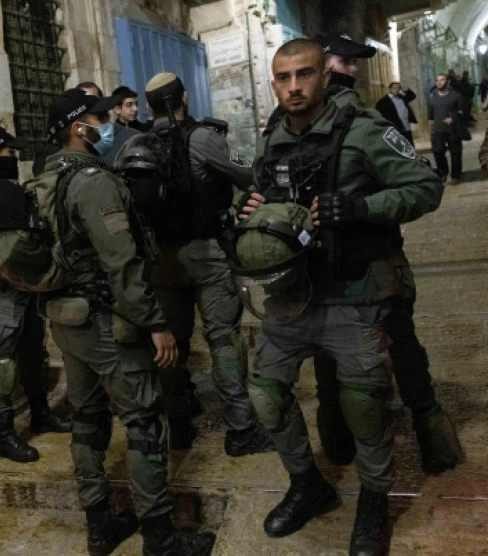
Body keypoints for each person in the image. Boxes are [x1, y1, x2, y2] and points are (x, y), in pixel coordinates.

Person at [238, 38, 444, 555]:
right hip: (291, 296)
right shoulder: (271, 139)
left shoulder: (363, 131)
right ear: (273, 84)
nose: (294, 87)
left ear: (325, 77)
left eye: (303, 75)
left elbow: (425, 186)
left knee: (363, 404)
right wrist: (253, 206)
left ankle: (374, 501)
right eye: (283, 79)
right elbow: (265, 194)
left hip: (353, 294)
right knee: (264, 393)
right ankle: (309, 485)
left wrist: (358, 208)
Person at [40, 88, 215, 555]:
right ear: (81, 127)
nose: (109, 122)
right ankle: (159, 538)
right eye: (100, 118)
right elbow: (123, 262)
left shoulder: (45, 177)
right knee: (143, 422)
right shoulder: (93, 182)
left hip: (67, 321)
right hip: (105, 322)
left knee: (88, 421)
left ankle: (100, 526)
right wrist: (156, 323)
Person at [141, 72, 274, 456]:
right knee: (224, 340)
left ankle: (178, 426)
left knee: (172, 345)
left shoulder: (134, 144)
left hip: (160, 261)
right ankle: (241, 430)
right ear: (184, 97)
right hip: (207, 255)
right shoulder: (203, 138)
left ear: (149, 107)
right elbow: (250, 172)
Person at [0, 126, 72, 463]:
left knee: (33, 353)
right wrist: (3, 229)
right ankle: (5, 435)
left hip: (22, 286)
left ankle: (41, 414)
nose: (14, 157)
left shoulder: (5, 187)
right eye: (9, 151)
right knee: (3, 364)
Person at [429, 73, 465, 183]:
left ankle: (455, 176)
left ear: (447, 82)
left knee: (455, 153)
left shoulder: (456, 96)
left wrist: (453, 118)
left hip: (452, 129)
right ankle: (443, 172)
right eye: (437, 80)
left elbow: (462, 112)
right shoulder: (433, 97)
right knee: (438, 152)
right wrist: (431, 130)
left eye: (442, 80)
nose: (439, 82)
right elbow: (430, 115)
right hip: (438, 130)